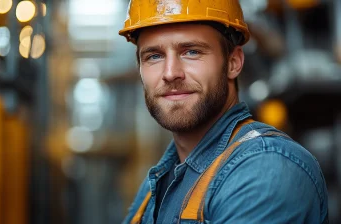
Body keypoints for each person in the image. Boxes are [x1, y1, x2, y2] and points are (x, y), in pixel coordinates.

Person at [118, 0, 329, 223]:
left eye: (191, 51)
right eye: (154, 56)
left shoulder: (265, 170)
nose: (170, 73)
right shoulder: (157, 185)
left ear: (233, 62)